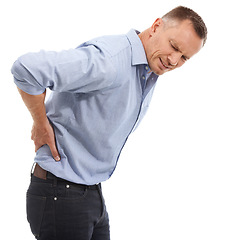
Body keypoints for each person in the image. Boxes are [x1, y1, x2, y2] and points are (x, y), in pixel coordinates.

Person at [11, 6, 207, 240]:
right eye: (174, 47)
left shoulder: (148, 70)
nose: (174, 60)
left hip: (90, 192)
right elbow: (27, 68)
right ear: (156, 27)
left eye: (184, 57)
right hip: (61, 193)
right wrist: (40, 123)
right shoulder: (110, 60)